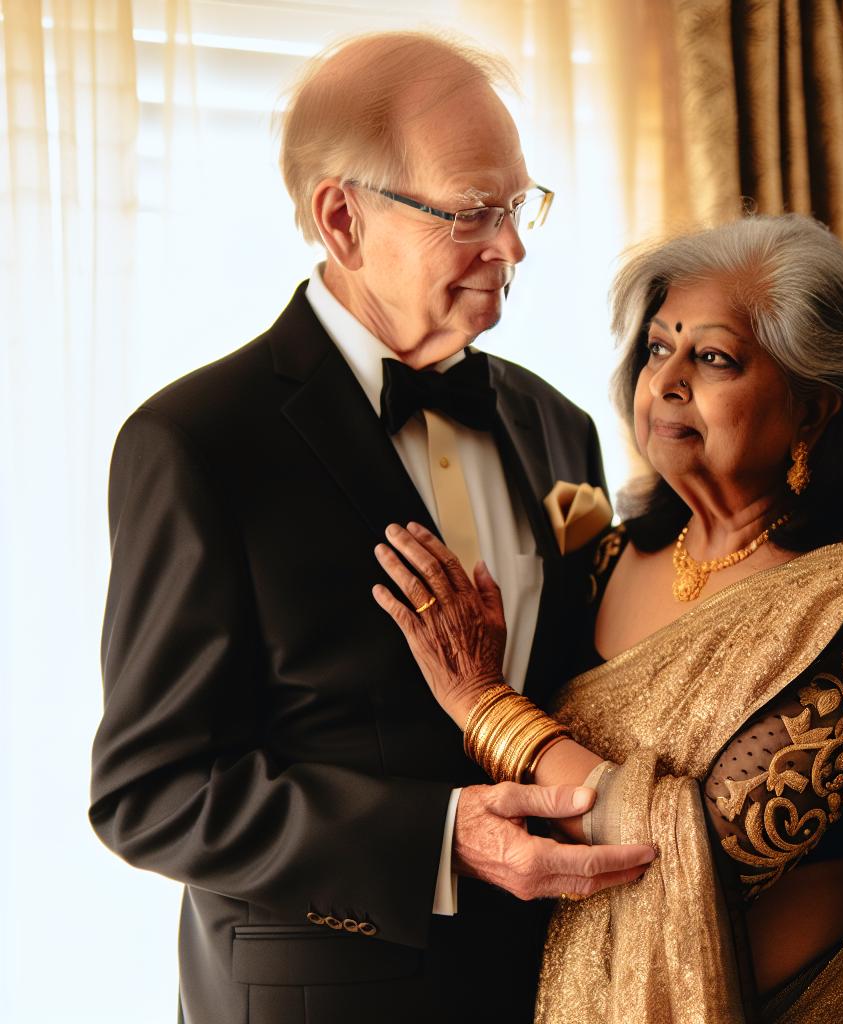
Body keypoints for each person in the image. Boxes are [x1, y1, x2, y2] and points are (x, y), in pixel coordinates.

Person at [90, 32, 654, 1023]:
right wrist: (440, 836)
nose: (512, 246)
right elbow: (151, 789)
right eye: (475, 210)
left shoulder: (557, 424)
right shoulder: (197, 442)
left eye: (520, 207)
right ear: (343, 219)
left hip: (552, 986)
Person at [371, 214, 843, 1022]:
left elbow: (701, 851)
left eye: (712, 357)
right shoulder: (605, 560)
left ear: (812, 411)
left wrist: (485, 707)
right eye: (656, 348)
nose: (667, 380)